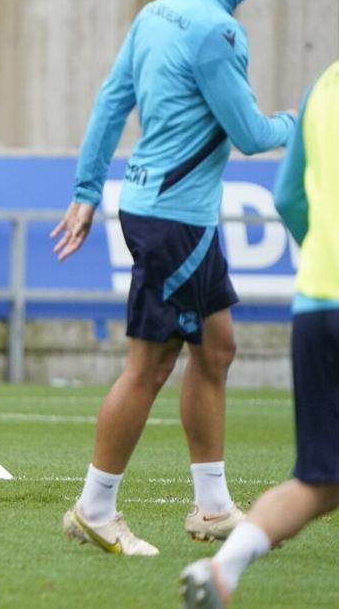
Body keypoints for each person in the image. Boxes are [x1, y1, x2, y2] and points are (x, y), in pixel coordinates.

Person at [52, 0, 295, 556]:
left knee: (216, 348)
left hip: (167, 211)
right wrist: (312, 117)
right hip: (174, 220)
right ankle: (94, 508)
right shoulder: (217, 31)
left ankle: (212, 507)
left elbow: (111, 101)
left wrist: (86, 189)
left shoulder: (159, 10)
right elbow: (250, 132)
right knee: (150, 366)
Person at [178, 59, 339, 607]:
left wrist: (321, 254)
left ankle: (222, 570)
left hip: (318, 302)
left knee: (319, 481)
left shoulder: (324, 84)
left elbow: (290, 197)